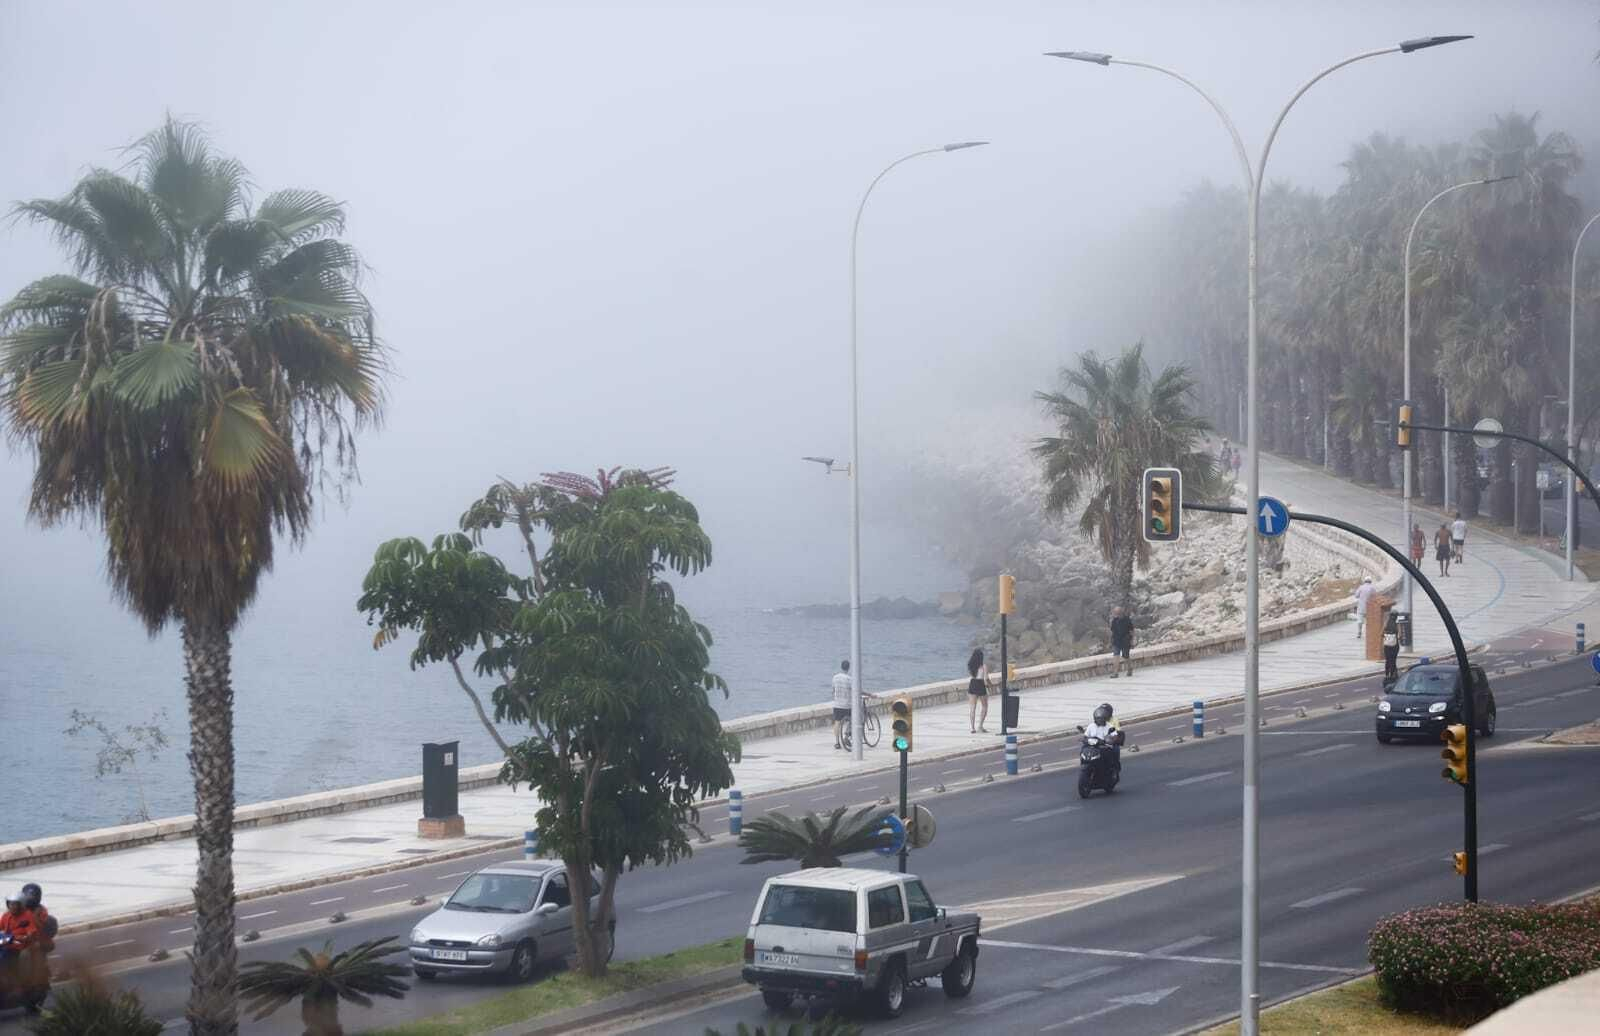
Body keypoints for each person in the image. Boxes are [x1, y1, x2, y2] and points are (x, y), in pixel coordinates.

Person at [18, 884, 51, 954]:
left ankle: (41, 963)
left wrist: (35, 916)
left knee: (35, 947)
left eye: (32, 896)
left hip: (34, 938)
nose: (29, 898)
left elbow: (42, 928)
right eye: (27, 896)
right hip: (18, 937)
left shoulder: (41, 910)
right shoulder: (17, 908)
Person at [830, 660, 852, 750]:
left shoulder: (835, 677)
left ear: (841, 667)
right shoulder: (849, 679)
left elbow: (833, 690)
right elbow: (854, 690)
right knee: (854, 719)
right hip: (847, 705)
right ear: (848, 668)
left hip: (837, 704)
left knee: (837, 722)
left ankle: (837, 742)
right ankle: (846, 736)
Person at [967, 648, 989, 734]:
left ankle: (972, 728)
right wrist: (990, 685)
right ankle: (980, 726)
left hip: (972, 683)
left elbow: (972, 675)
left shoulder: (971, 665)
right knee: (984, 706)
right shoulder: (983, 666)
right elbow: (986, 679)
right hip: (980, 684)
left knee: (972, 707)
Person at [1109, 606, 1134, 678]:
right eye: (1115, 612)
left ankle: (1129, 668)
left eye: (1117, 612)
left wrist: (1132, 641)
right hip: (1116, 641)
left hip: (1125, 641)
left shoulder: (1127, 620)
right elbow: (1112, 631)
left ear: (1120, 612)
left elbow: (1131, 630)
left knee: (1125, 656)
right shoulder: (1114, 621)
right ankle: (1115, 673)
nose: (1116, 614)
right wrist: (1111, 641)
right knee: (1116, 656)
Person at [1352, 575, 1375, 640]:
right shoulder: (1372, 588)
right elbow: (1375, 597)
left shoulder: (1361, 587)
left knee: (1360, 620)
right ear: (1370, 581)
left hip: (1361, 607)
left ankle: (1359, 632)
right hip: (1369, 607)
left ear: (1364, 581)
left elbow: (1356, 596)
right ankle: (1368, 633)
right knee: (1368, 621)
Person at [1381, 613, 1400, 684]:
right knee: (1393, 660)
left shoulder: (1386, 623)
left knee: (1387, 660)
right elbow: (1399, 635)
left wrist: (1386, 636)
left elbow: (1381, 634)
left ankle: (1386, 675)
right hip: (1395, 645)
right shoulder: (1397, 624)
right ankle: (1392, 675)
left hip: (1387, 646)